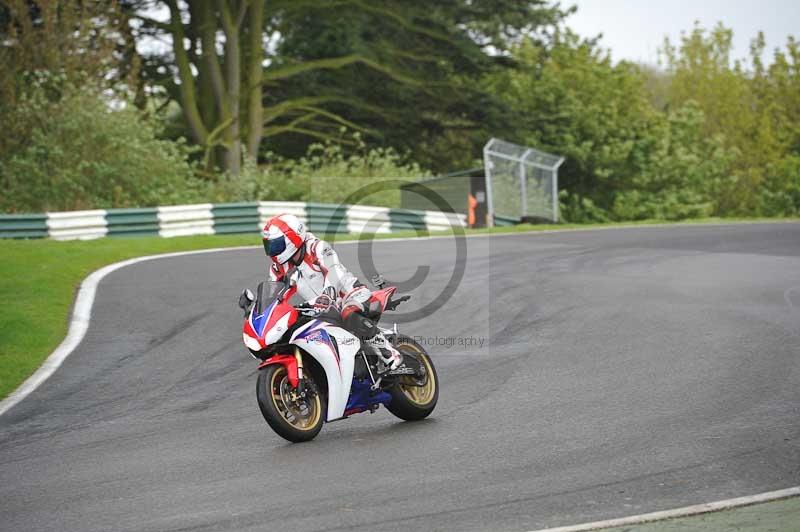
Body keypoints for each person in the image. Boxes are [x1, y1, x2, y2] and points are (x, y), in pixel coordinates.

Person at [262, 213, 403, 372]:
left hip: (352, 295)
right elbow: (273, 294)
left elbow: (332, 271)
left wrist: (328, 294)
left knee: (349, 312)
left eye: (276, 245)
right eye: (269, 246)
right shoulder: (280, 268)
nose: (272, 251)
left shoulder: (317, 248)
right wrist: (261, 311)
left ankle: (388, 352)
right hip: (321, 309)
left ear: (292, 239)